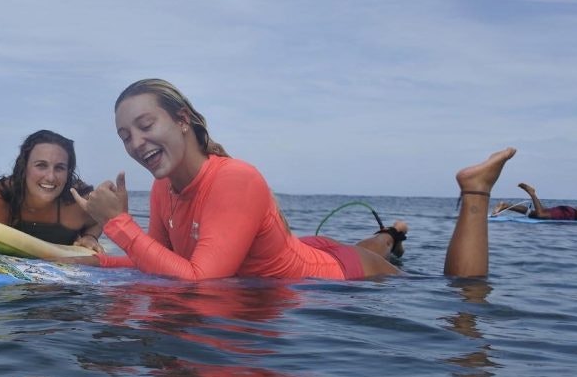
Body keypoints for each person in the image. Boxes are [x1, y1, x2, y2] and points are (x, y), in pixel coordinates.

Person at [71, 78, 515, 280]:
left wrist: (117, 224)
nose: (136, 143)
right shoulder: (165, 188)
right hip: (307, 247)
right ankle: (393, 234)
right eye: (125, 136)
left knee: (461, 292)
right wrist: (84, 262)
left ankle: (475, 192)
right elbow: (155, 263)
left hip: (340, 274)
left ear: (183, 120)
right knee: (377, 242)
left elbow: (199, 279)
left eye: (146, 125)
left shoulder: (235, 179)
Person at [0, 129, 105, 252]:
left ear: (68, 172)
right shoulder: (3, 196)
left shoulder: (75, 201)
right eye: (41, 165)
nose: (50, 177)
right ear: (24, 168)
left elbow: (99, 220)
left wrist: (90, 237)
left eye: (59, 168)